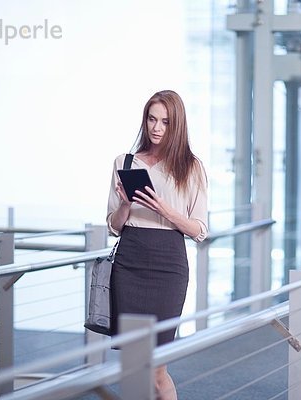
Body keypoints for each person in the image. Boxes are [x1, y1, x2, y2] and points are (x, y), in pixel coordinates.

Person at [106, 90, 208, 400]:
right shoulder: (125, 162)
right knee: (134, 364)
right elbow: (113, 225)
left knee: (156, 369)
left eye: (165, 121)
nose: (157, 128)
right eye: (152, 119)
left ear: (177, 125)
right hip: (130, 261)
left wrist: (165, 209)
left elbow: (199, 230)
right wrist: (125, 204)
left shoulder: (191, 167)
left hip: (168, 265)